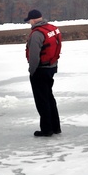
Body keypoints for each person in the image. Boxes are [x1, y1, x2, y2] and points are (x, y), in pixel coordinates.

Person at [24, 9, 62, 137]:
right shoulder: (52, 29)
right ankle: (55, 126)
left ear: (33, 19)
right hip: (51, 67)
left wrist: (32, 71)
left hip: (41, 70)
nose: (29, 23)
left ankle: (46, 129)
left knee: (42, 100)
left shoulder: (36, 34)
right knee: (49, 97)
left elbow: (34, 56)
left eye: (29, 20)